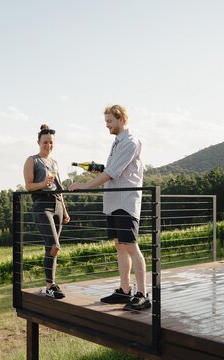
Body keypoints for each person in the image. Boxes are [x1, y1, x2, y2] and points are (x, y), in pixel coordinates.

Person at [69, 105, 150, 311]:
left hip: (125, 201)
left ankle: (142, 294)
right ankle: (124, 290)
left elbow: (112, 172)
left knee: (131, 246)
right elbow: (111, 171)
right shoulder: (117, 142)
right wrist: (97, 169)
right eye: (106, 122)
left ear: (121, 119)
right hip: (113, 202)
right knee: (120, 246)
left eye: (109, 121)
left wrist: (85, 186)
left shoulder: (131, 142)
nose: (107, 125)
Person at [23, 124, 71, 299]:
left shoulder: (54, 163)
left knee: (52, 248)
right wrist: (43, 184)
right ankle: (50, 286)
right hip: (42, 206)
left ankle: (51, 284)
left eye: (51, 142)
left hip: (57, 206)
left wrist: (65, 211)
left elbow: (59, 188)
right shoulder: (32, 160)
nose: (48, 145)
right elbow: (28, 186)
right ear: (38, 142)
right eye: (45, 142)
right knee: (54, 246)